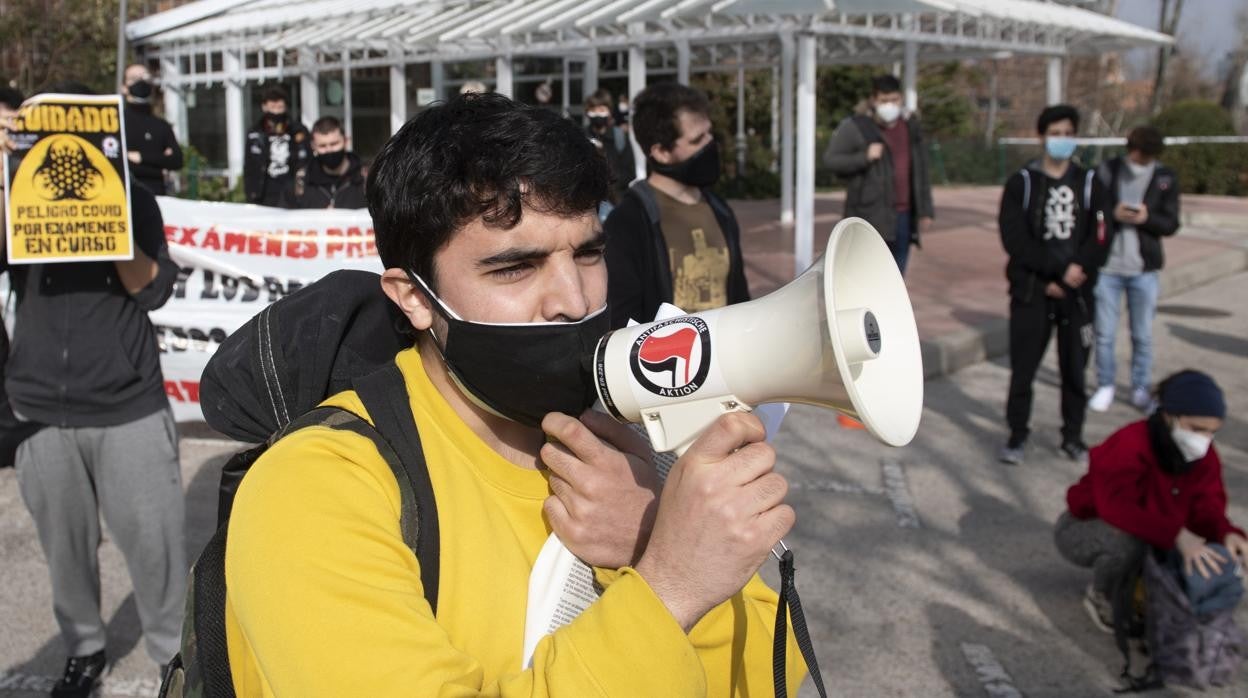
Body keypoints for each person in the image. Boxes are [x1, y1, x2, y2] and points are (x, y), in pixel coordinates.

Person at [220, 92, 804, 695]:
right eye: (514, 268)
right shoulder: (317, 486)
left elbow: (763, 670)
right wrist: (666, 582)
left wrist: (651, 539)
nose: (573, 301)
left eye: (589, 253)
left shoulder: (623, 436)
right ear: (414, 297)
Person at [1, 83, 185, 698]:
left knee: (155, 546)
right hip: (40, 409)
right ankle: (84, 648)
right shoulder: (17, 197)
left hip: (128, 403)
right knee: (65, 550)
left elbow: (155, 289)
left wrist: (110, 222)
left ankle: (171, 656)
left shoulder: (136, 198)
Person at [1055, 370, 1245, 632]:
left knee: (1206, 553)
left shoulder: (1205, 457)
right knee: (1127, 541)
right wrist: (1177, 535)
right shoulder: (1130, 442)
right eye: (1196, 429)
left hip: (1153, 531)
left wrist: (1226, 533)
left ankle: (1145, 592)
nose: (1204, 440)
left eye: (1212, 432)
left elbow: (1207, 507)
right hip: (1086, 527)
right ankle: (1103, 595)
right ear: (1169, 415)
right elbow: (1116, 508)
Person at [997, 104, 1111, 466]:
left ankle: (1072, 436)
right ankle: (1017, 434)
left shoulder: (1091, 182)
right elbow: (1015, 240)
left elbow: (1102, 234)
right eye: (1054, 133)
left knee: (1075, 370)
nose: (1061, 140)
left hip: (1077, 296)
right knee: (1023, 371)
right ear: (1041, 136)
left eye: (1067, 133)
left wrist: (1079, 268)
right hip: (1033, 292)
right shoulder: (1022, 183)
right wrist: (1053, 275)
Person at [603, 83, 749, 328]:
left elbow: (741, 300)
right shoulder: (628, 223)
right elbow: (621, 321)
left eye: (709, 133)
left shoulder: (720, 209)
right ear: (660, 152)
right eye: (697, 139)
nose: (711, 144)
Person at [1088, 126, 1181, 414]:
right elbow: (1090, 211)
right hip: (1107, 268)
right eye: (1143, 156)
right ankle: (1105, 384)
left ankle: (1140, 387)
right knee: (1103, 333)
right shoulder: (1105, 171)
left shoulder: (1165, 177)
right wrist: (1111, 214)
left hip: (1144, 269)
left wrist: (1147, 218)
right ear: (1132, 150)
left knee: (1142, 334)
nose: (1146, 161)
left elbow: (1171, 223)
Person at [822, 74, 934, 275]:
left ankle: (890, 307)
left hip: (904, 216)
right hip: (869, 216)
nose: (890, 105)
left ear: (900, 99)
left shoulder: (911, 127)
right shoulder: (856, 127)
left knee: (897, 278)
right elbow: (831, 160)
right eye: (884, 101)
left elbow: (921, 169)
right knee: (868, 277)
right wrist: (864, 157)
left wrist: (925, 209)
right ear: (873, 100)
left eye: (894, 100)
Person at [121, 63, 183, 195]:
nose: (140, 83)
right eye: (134, 79)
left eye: (145, 78)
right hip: (124, 194)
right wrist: (159, 164)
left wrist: (140, 157)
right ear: (124, 87)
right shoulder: (117, 122)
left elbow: (177, 160)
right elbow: (117, 161)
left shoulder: (161, 125)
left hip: (157, 195)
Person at [243, 85, 310, 207]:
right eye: (272, 107)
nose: (276, 112)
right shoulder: (255, 133)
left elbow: (306, 161)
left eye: (280, 107)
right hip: (264, 193)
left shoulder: (298, 131)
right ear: (264, 107)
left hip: (291, 192)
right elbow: (249, 166)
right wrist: (250, 194)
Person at [292, 116, 367, 209]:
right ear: (313, 146)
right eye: (322, 146)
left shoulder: (366, 178)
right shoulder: (301, 181)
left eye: (334, 144)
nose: (329, 150)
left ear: (346, 141)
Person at [584, 88, 635, 206]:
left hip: (616, 202)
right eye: (593, 110)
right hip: (588, 203)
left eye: (601, 110)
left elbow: (630, 172)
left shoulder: (619, 137)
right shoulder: (582, 136)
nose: (597, 114)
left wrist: (609, 182)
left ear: (609, 111)